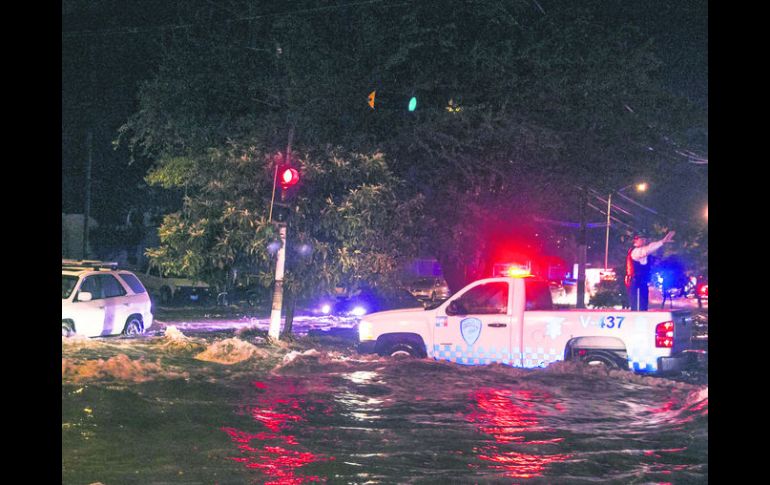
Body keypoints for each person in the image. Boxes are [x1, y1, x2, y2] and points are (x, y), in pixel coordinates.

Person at [624, 230, 676, 311]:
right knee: (638, 307)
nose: (644, 241)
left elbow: (650, 253)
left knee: (643, 306)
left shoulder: (645, 254)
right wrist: (662, 242)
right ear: (635, 240)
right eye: (641, 239)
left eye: (645, 239)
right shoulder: (636, 252)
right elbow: (648, 249)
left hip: (642, 283)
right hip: (636, 283)